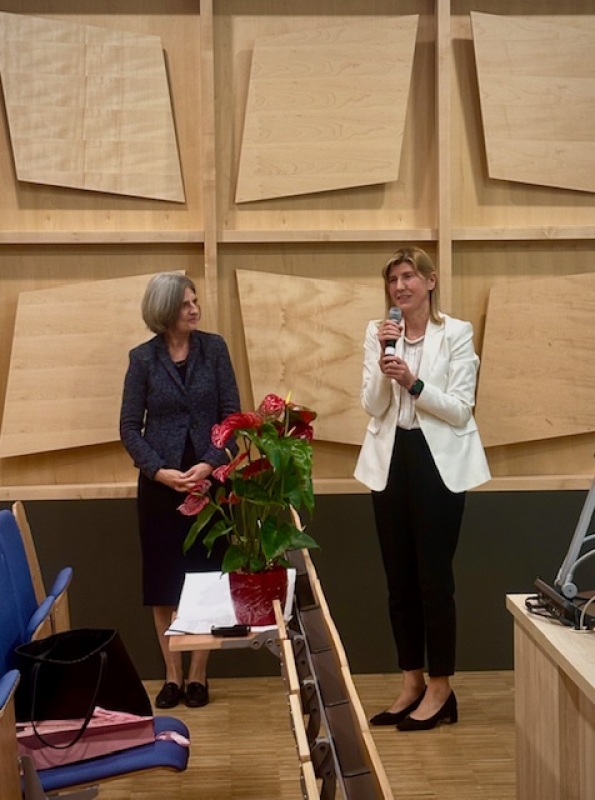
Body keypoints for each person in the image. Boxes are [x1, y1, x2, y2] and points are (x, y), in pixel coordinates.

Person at [354, 246, 490, 731]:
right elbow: (372, 405)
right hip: (391, 460)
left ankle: (440, 686)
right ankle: (411, 681)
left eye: (409, 276)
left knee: (434, 580)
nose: (400, 287)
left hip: (438, 462)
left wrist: (413, 383)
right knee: (399, 580)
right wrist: (385, 358)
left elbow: (460, 408)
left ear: (430, 282)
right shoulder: (378, 333)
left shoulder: (456, 333)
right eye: (393, 279)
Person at [120, 272, 240, 710]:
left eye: (195, 301)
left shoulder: (215, 349)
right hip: (161, 487)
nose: (195, 309)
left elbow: (231, 415)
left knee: (205, 579)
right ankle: (172, 675)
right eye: (186, 303)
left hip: (211, 483)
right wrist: (160, 472)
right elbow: (129, 428)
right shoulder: (142, 359)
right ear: (166, 309)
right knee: (164, 584)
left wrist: (210, 462)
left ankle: (197, 676)